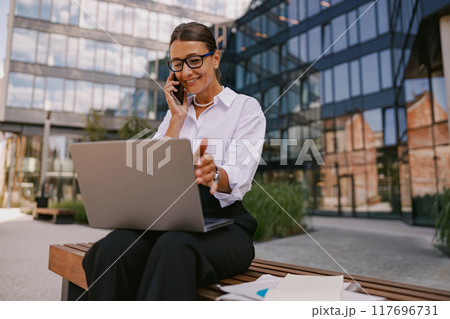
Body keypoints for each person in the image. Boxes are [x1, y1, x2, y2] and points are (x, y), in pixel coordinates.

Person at [82, 22, 266, 301]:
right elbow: (150, 171)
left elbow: (239, 177)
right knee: (111, 250)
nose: (187, 72)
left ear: (215, 58)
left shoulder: (244, 108)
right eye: (178, 64)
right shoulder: (174, 113)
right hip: (168, 221)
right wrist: (177, 120)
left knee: (173, 248)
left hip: (225, 225)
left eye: (194, 60)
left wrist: (213, 174)